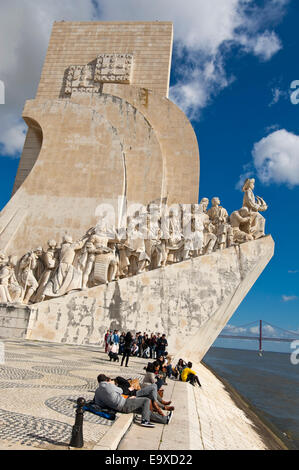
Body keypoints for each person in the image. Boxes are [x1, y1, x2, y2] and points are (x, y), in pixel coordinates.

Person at [94, 374, 172, 427]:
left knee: (144, 410)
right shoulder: (109, 385)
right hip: (124, 404)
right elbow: (120, 391)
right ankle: (145, 421)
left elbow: (99, 404)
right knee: (146, 400)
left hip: (117, 407)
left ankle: (165, 419)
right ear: (106, 379)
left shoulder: (97, 391)